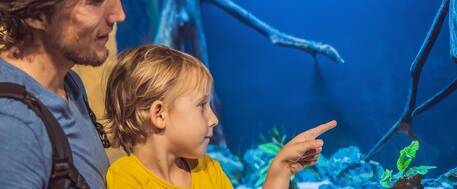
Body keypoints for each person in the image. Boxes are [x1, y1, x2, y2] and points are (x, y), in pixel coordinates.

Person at [0, 0, 125, 188]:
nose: (119, 14)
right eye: (95, 0)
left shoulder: (67, 82)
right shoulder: (4, 131)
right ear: (36, 14)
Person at [104, 44, 337, 188]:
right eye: (202, 105)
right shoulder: (126, 178)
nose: (214, 119)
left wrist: (282, 166)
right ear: (159, 114)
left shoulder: (208, 170)